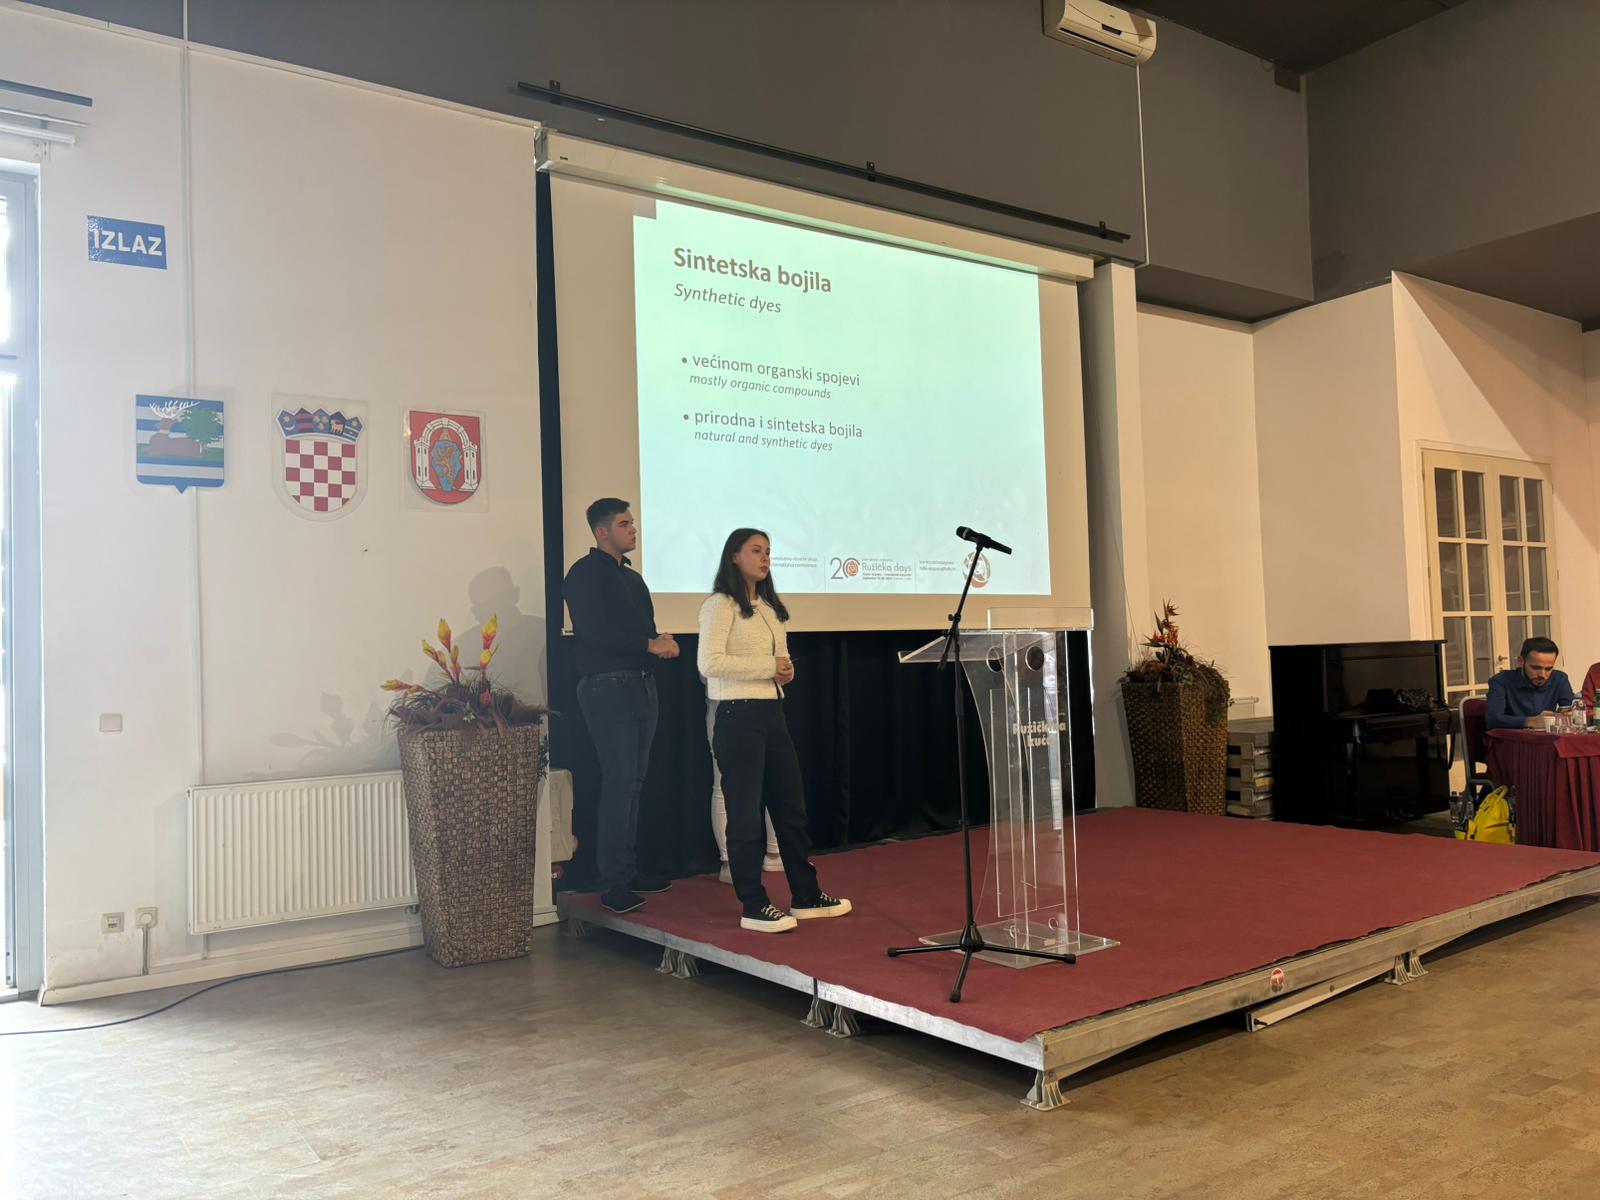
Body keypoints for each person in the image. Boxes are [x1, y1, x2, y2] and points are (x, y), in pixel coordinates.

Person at [697, 528, 850, 933]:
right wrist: (768, 667)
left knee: (790, 809)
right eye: (756, 550)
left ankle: (806, 896)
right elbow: (709, 663)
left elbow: (780, 661)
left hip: (772, 714)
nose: (765, 558)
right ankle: (753, 903)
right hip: (737, 715)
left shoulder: (768, 607)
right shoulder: (720, 605)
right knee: (746, 815)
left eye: (768, 551)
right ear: (734, 556)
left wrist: (785, 671)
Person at [563, 498, 679, 914]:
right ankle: (613, 883)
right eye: (625, 523)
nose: (634, 529)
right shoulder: (583, 574)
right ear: (602, 531)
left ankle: (628, 871)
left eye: (632, 523)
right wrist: (649, 644)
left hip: (641, 684)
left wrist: (659, 642)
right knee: (620, 782)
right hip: (607, 686)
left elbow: (643, 630)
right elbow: (593, 632)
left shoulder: (632, 579)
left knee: (634, 783)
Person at [707, 696, 783, 884]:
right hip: (723, 706)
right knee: (725, 785)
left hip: (762, 706)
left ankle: (774, 852)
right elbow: (708, 678)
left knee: (771, 779)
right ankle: (729, 862)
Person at [1484, 636, 1574, 730]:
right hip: (1512, 737)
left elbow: (1573, 711)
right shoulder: (1501, 681)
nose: (1542, 675)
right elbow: (1493, 720)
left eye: (1548, 669)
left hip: (1547, 737)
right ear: (1521, 661)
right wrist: (1531, 721)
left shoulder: (1559, 679)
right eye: (1536, 668)